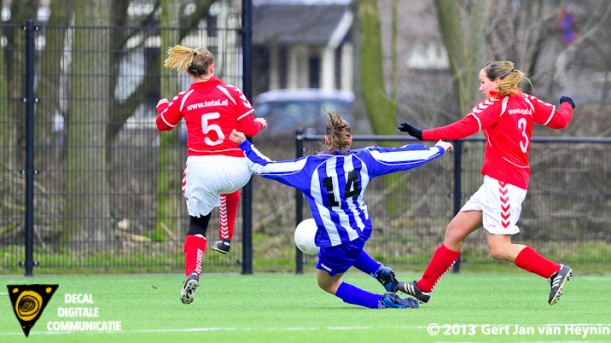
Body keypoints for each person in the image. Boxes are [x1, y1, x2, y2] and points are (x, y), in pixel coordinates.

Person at [230, 110, 453, 309]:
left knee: (326, 282)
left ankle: (381, 301)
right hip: (362, 229)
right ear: (350, 139)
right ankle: (378, 271)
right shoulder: (365, 159)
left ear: (326, 140)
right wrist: (438, 149)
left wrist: (244, 144)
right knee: (350, 246)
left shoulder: (309, 169)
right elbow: (403, 156)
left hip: (338, 240)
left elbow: (264, 167)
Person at [397, 60, 575, 306]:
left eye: (483, 82)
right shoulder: (529, 102)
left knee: (499, 248)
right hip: (499, 182)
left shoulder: (496, 105)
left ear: (498, 82)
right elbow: (561, 121)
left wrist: (424, 134)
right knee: (455, 231)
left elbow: (464, 127)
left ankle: (555, 271)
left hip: (504, 183)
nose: (480, 88)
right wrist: (567, 104)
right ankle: (423, 287)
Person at [155, 45, 267, 304]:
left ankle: (193, 271)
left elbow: (163, 125)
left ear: (189, 71)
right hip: (237, 167)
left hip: (202, 168)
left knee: (197, 224)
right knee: (229, 188)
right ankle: (226, 239)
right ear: (212, 68)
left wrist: (162, 106)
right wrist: (260, 123)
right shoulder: (231, 92)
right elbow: (250, 128)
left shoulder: (184, 98)